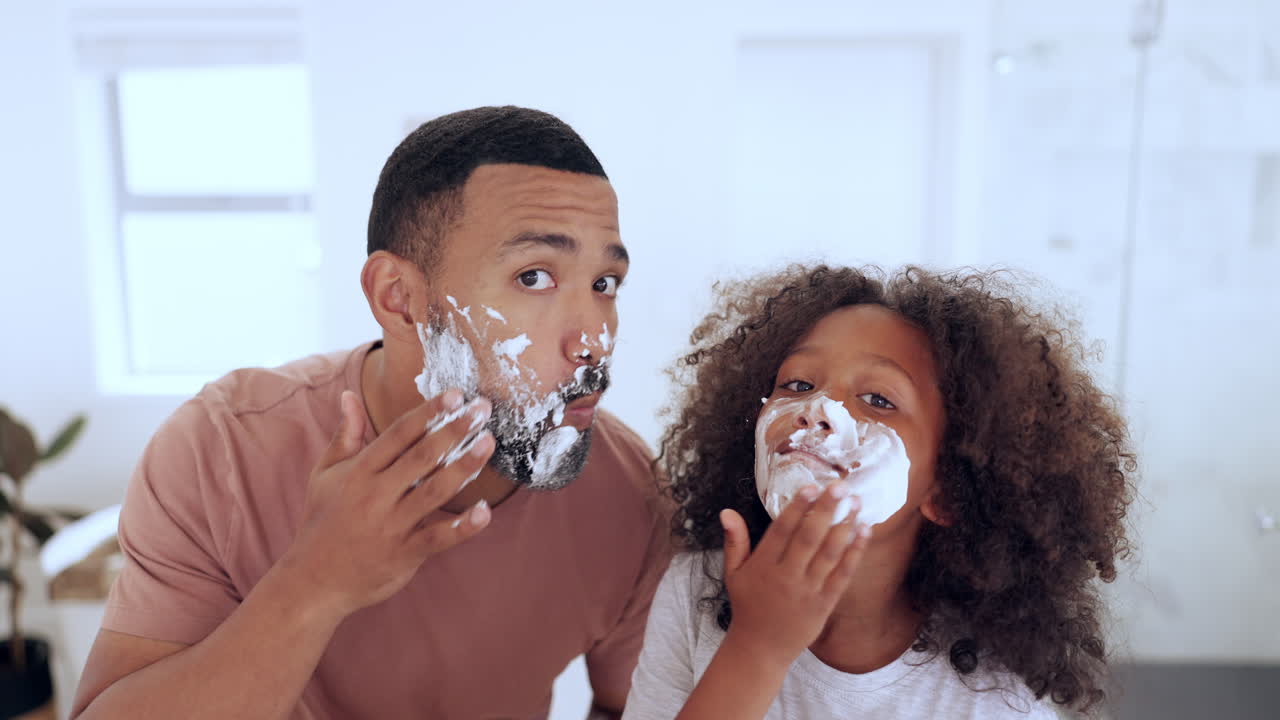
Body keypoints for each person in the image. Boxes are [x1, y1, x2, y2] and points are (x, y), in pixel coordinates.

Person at [72, 106, 670, 720]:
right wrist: (315, 583)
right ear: (400, 298)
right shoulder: (219, 451)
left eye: (605, 283)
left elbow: (634, 707)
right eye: (536, 276)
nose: (595, 339)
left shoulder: (630, 491)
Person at [623, 265, 1136, 719]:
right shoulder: (696, 591)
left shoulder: (995, 696)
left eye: (876, 399)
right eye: (798, 385)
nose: (817, 409)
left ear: (949, 492)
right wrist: (757, 648)